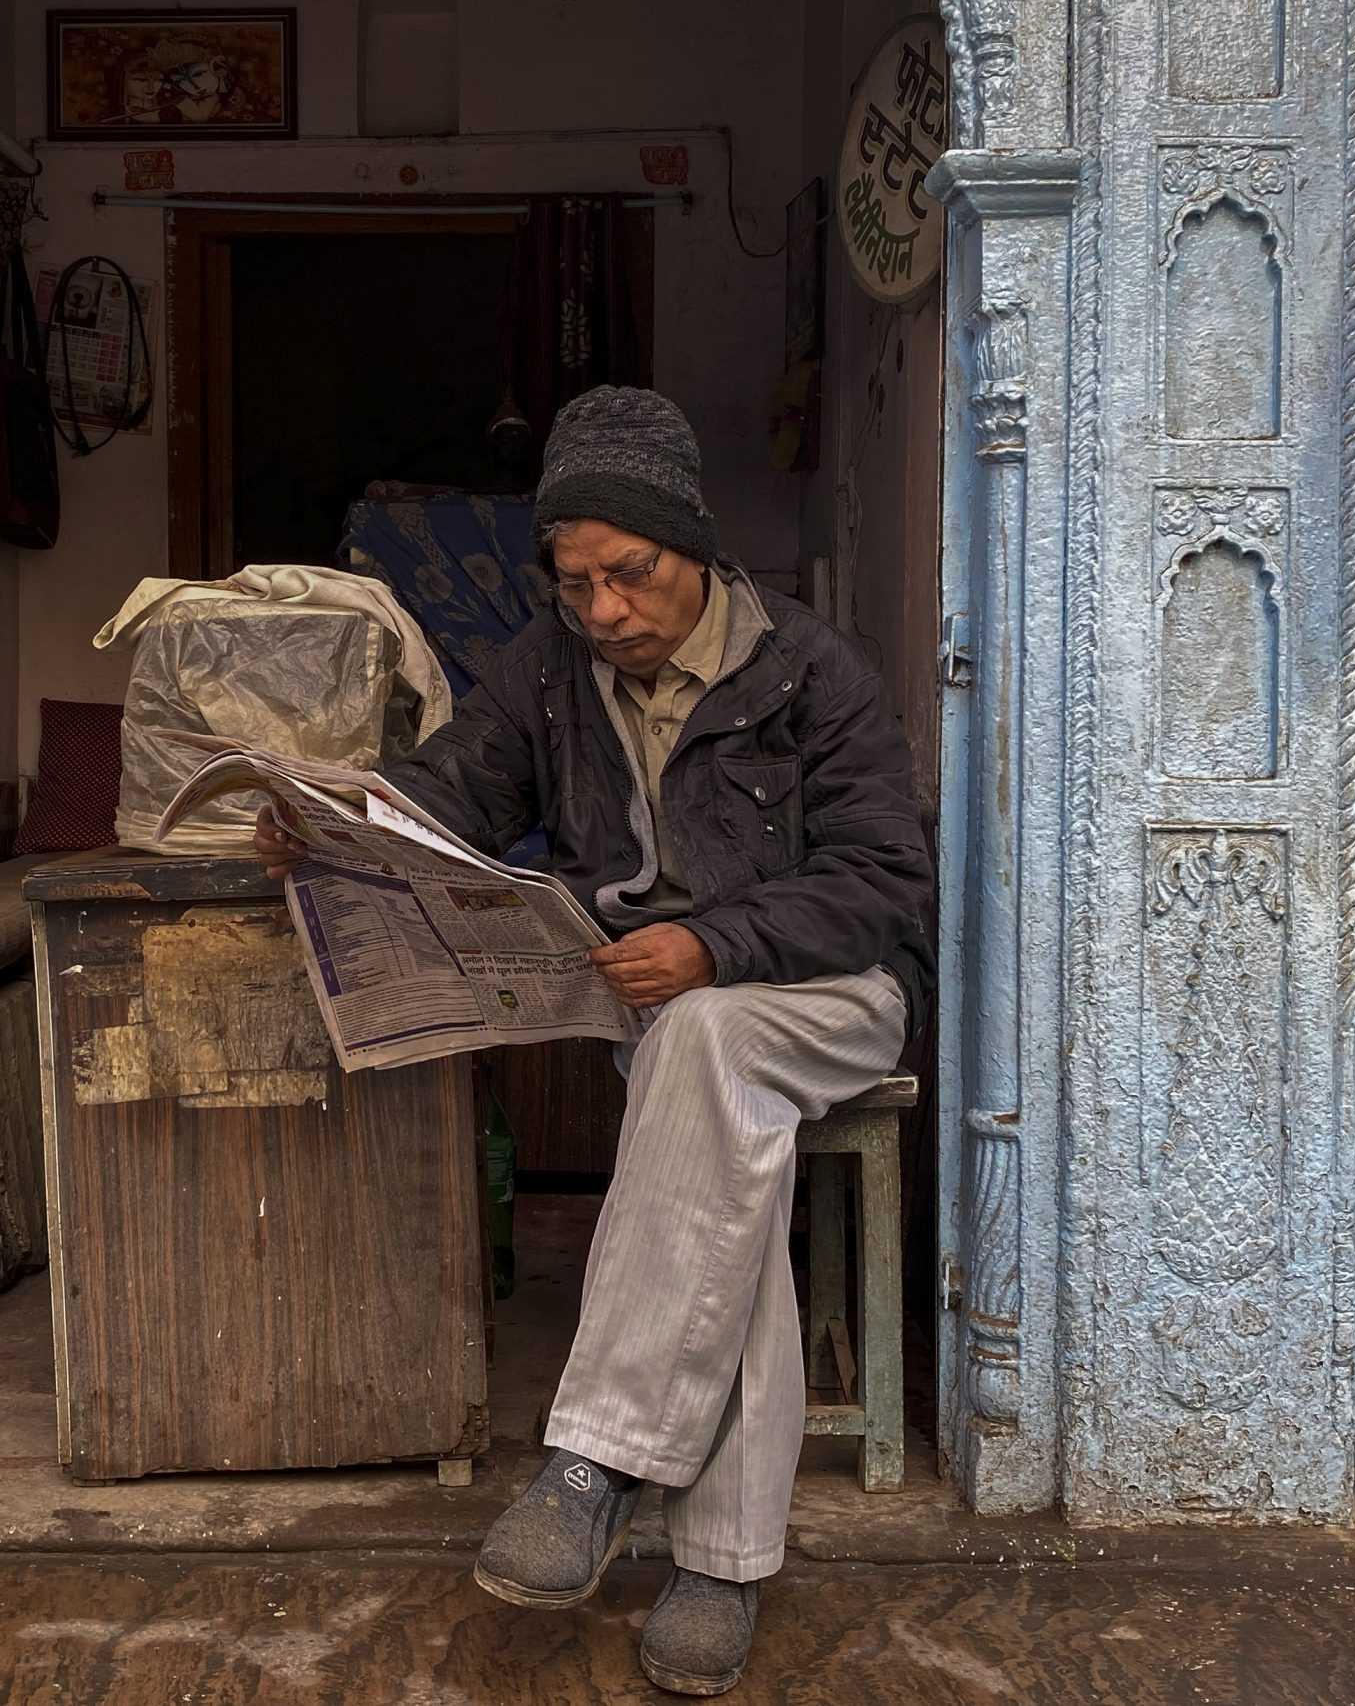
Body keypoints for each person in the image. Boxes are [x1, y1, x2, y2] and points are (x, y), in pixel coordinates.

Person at [256, 386, 931, 1697]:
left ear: (695, 549)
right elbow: (459, 793)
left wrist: (718, 943)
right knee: (720, 1136)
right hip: (667, 1009)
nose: (607, 610)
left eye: (631, 576)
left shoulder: (811, 672)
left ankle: (598, 1460)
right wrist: (348, 816)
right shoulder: (545, 672)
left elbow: (883, 880)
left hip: (826, 990)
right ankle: (725, 1561)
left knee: (708, 1043)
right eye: (579, 585)